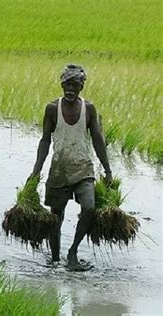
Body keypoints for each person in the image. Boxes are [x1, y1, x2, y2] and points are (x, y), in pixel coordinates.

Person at [30, 64, 112, 271]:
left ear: (81, 87)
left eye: (74, 85)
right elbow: (45, 141)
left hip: (84, 169)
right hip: (59, 170)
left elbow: (97, 140)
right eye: (66, 84)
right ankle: (55, 259)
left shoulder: (89, 109)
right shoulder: (52, 109)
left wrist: (108, 170)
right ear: (61, 84)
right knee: (56, 218)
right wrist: (36, 171)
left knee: (89, 208)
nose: (70, 90)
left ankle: (72, 252)